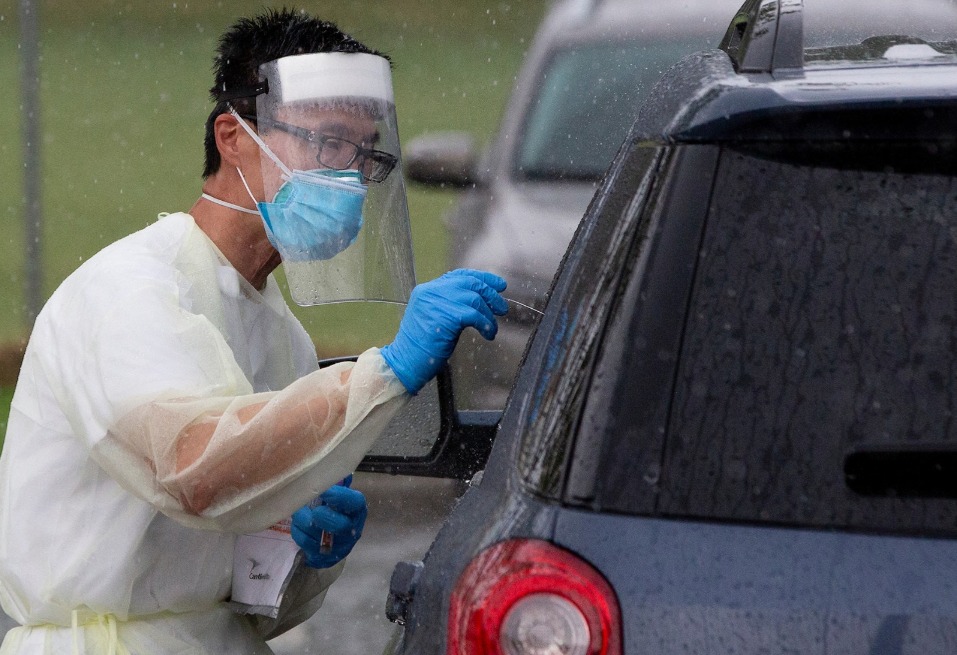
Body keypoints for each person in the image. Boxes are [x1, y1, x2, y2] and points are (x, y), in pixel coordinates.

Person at [0, 8, 507, 655]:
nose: (349, 178)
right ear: (233, 136)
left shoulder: (281, 336)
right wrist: (387, 368)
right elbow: (194, 467)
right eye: (327, 144)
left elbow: (252, 598)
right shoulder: (129, 290)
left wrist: (303, 549)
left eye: (365, 155)